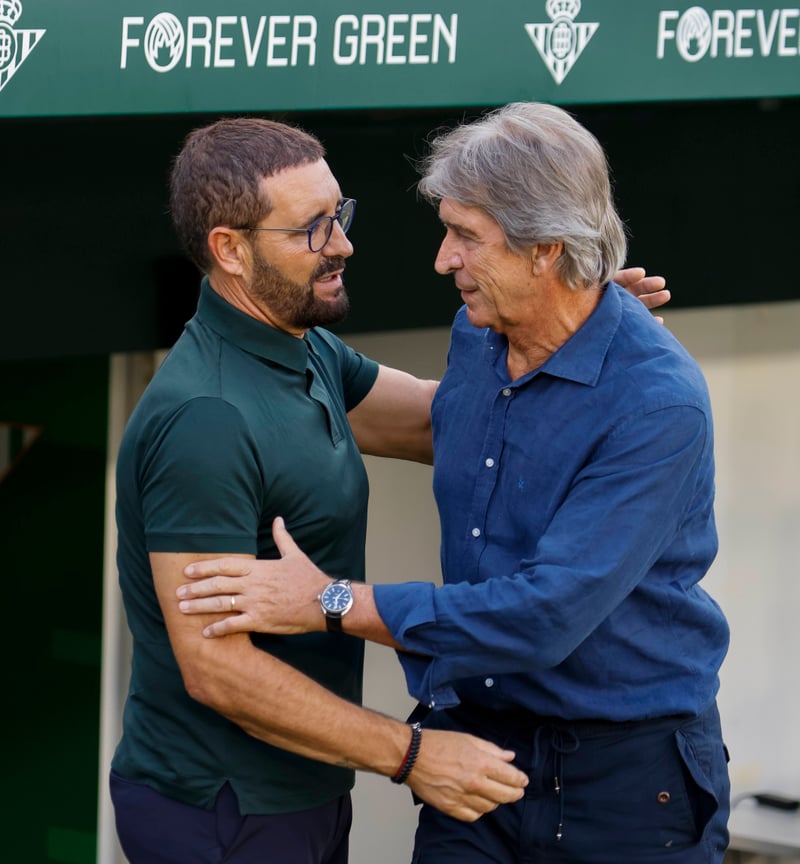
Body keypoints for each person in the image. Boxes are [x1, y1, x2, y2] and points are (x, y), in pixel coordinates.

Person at [178, 103, 730, 864]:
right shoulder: (479, 332)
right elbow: (419, 422)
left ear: (547, 250)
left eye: (466, 236)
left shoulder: (657, 403)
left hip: (628, 787)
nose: (443, 260)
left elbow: (543, 615)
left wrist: (330, 601)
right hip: (476, 755)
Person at [110, 116, 532, 864]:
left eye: (340, 215)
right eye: (312, 228)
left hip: (302, 792)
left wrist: (557, 329)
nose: (342, 244)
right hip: (223, 807)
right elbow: (216, 668)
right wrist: (413, 755)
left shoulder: (306, 349)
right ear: (230, 250)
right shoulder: (206, 419)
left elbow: (446, 428)